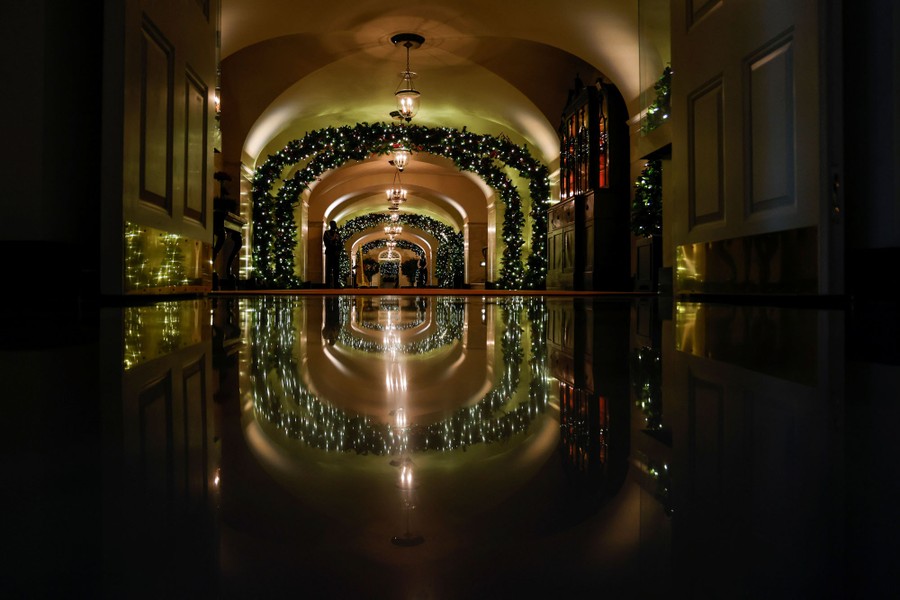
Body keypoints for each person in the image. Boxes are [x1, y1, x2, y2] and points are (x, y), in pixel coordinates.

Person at [323, 220, 343, 288]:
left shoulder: (337, 233)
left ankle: (336, 284)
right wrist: (333, 240)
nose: (334, 226)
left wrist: (338, 251)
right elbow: (326, 242)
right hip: (329, 252)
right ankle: (328, 284)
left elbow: (340, 243)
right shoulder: (327, 233)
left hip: (336, 253)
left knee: (336, 269)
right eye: (333, 225)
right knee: (328, 269)